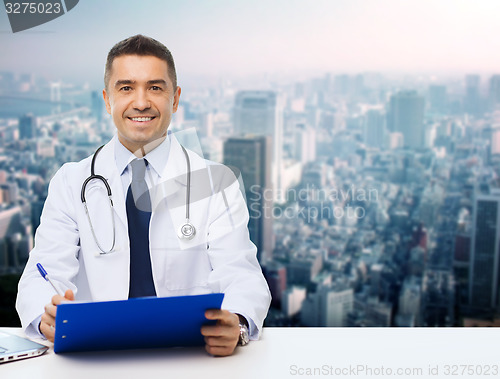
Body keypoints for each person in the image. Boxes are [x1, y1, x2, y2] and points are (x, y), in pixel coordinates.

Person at [16, 35, 271, 357]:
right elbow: (43, 271)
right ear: (107, 100)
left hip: (188, 355)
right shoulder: (71, 181)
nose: (141, 102)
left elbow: (241, 273)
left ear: (175, 99)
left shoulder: (215, 181)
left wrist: (237, 322)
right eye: (126, 88)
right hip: (96, 356)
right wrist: (44, 317)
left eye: (155, 87)